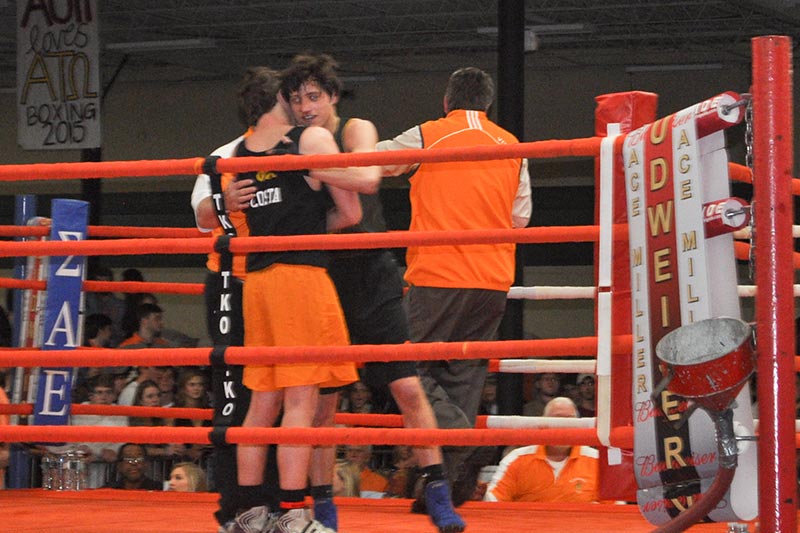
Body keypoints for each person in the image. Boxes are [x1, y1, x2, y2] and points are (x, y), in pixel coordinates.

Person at [282, 52, 466, 533]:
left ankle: (438, 492)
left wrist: (314, 171)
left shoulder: (354, 129)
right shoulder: (291, 145)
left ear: (333, 96)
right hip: (322, 279)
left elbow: (366, 179)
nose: (306, 107)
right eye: (298, 99)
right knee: (325, 402)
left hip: (374, 273)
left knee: (406, 387)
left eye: (314, 96)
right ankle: (324, 508)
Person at [230, 65, 381, 533]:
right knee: (301, 401)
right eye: (294, 97)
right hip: (300, 278)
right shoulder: (309, 141)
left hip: (257, 282)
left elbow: (227, 207)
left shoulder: (238, 151)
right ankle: (294, 515)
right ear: (280, 98)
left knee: (262, 402)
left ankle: (249, 515)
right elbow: (359, 199)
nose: (302, 107)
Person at [376, 66, 531, 504]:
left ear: (447, 102)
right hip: (493, 279)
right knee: (463, 378)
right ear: (488, 104)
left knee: (406, 368)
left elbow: (376, 161)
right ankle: (447, 490)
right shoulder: (511, 145)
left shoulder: (431, 134)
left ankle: (462, 439)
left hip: (439, 274)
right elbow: (521, 217)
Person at [484, 397, 602, 503]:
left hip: (580, 526)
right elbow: (493, 500)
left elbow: (615, 508)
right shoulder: (517, 459)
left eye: (570, 420)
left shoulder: (597, 461)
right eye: (557, 420)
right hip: (528, 525)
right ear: (543, 423)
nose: (564, 427)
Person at [70, 374, 128, 488]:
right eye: (99, 392)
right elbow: (76, 441)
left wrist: (113, 451)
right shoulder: (79, 413)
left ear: (114, 395)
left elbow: (123, 441)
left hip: (110, 468)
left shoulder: (120, 413)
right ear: (91, 396)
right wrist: (97, 452)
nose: (104, 397)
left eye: (108, 392)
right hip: (81, 467)